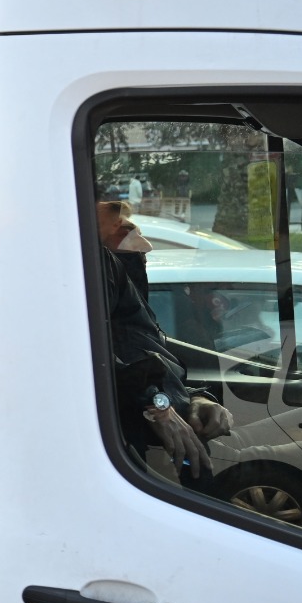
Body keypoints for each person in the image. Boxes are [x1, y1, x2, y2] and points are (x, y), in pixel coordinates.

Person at [96, 200, 232, 480]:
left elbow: (141, 362)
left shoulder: (121, 289)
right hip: (130, 455)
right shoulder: (98, 271)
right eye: (124, 230)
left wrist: (195, 398)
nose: (145, 246)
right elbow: (97, 362)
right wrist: (158, 405)